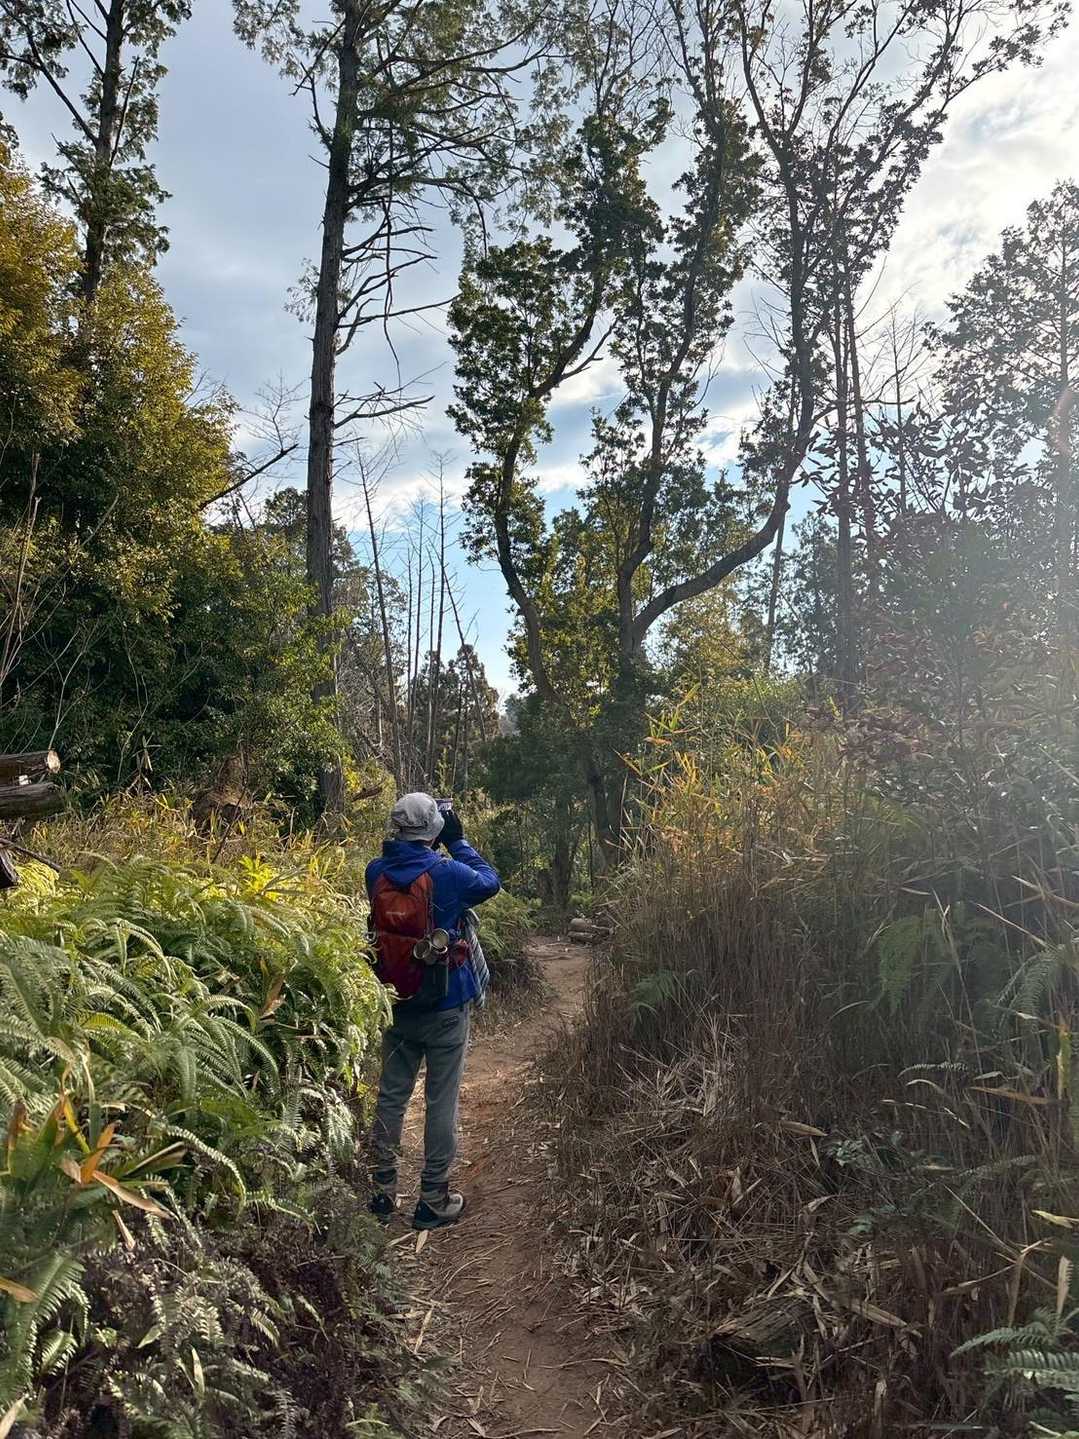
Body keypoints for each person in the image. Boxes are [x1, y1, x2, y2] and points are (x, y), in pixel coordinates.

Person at [365, 792, 500, 1230]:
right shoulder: (448, 873)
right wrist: (457, 840)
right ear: (434, 829)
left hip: (396, 1000)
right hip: (445, 1003)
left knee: (391, 1096)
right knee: (441, 1100)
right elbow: (490, 881)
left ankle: (382, 1192)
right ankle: (433, 1199)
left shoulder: (375, 872)